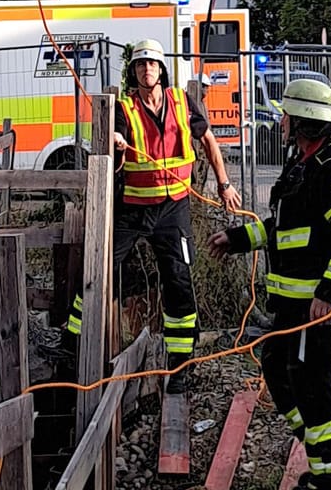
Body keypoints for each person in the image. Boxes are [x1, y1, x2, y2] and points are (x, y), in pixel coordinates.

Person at [206, 78, 331, 490]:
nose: (280, 122)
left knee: (313, 386)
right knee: (279, 370)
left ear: (301, 121)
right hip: (294, 304)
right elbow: (283, 229)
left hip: (321, 306)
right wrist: (238, 239)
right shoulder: (301, 164)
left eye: (286, 116)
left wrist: (329, 294)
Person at [63, 39, 241, 395]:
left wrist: (223, 183)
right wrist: (114, 138)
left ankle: (180, 366)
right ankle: (71, 343)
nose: (147, 70)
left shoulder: (180, 100)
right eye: (141, 65)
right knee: (101, 269)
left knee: (178, 281)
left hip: (173, 210)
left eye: (152, 65)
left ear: (161, 70)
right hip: (133, 208)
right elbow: (115, 133)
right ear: (135, 72)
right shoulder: (124, 107)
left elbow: (208, 141)